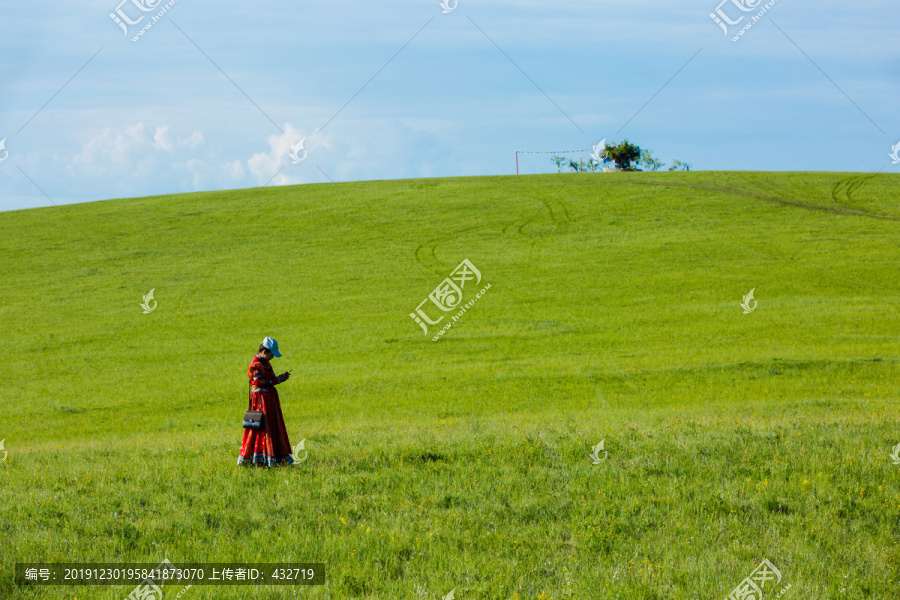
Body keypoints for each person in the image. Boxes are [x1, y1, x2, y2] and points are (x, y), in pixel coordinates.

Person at [237, 337, 294, 467]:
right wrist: (278, 380)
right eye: (271, 353)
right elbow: (258, 383)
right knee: (262, 426)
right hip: (261, 402)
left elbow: (270, 379)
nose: (273, 356)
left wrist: (278, 379)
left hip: (270, 401)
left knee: (272, 426)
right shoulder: (255, 365)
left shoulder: (266, 364)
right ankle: (258, 459)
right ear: (264, 351)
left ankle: (275, 457)